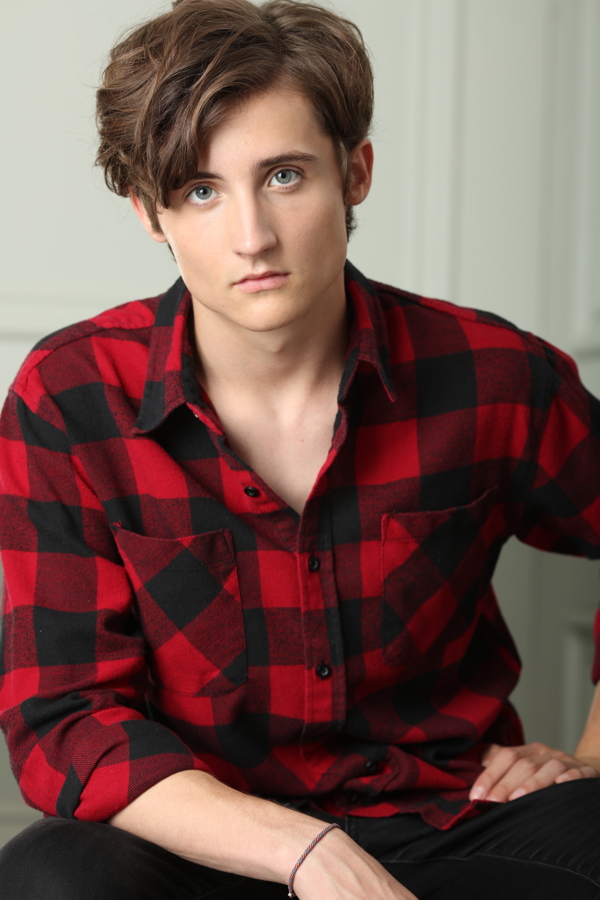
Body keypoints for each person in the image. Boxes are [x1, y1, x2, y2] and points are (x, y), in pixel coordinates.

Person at [0, 0, 599, 897]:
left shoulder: (495, 375)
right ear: (148, 215)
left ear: (354, 173)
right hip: (201, 841)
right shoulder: (72, 397)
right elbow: (66, 719)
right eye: (201, 190)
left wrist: (593, 757)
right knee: (50, 875)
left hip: (444, 827)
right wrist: (303, 851)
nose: (252, 236)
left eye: (284, 176)